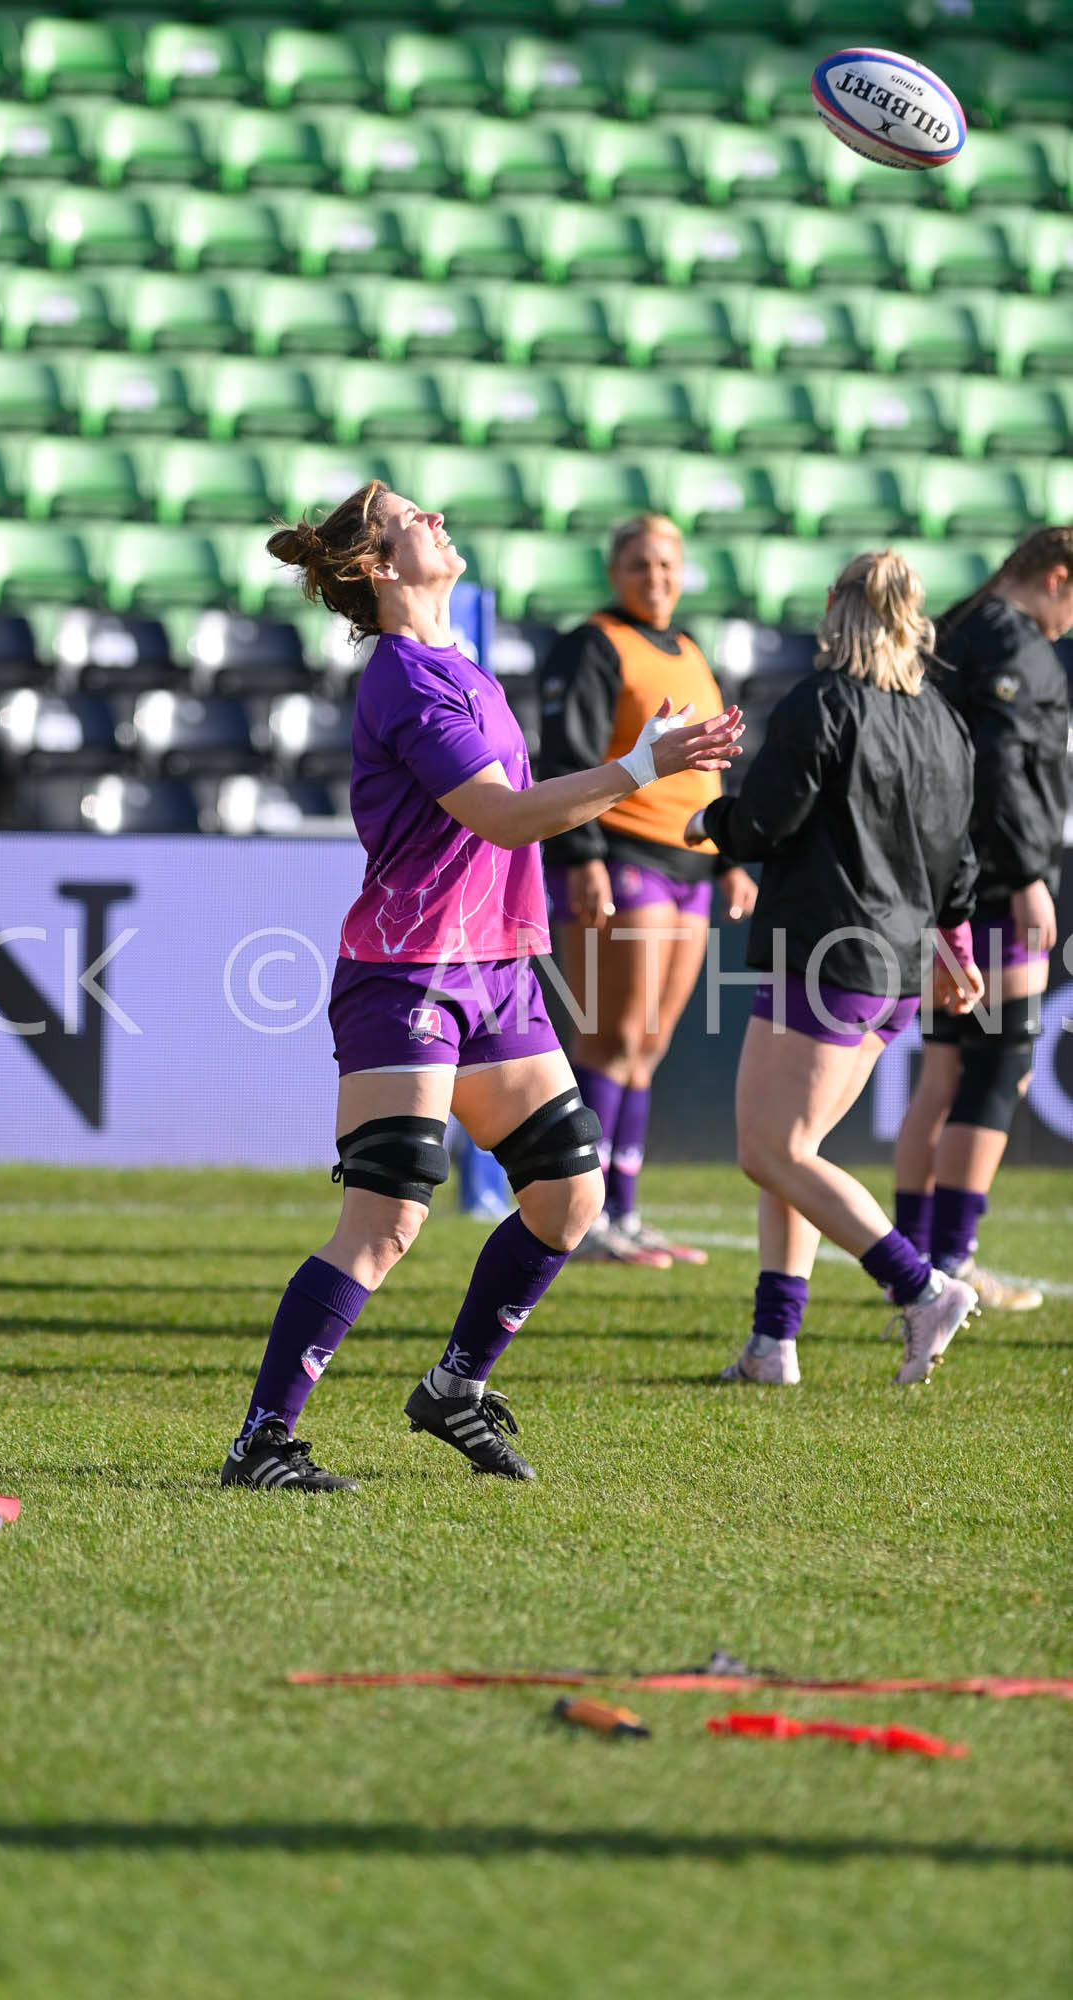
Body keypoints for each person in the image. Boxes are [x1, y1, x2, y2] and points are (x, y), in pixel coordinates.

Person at [221, 482, 743, 1490]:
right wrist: (636, 765)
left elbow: (517, 813)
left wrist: (630, 768)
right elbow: (505, 817)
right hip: (407, 970)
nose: (439, 520)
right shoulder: (410, 680)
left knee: (569, 1195)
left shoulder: (460, 665)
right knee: (385, 1224)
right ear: (377, 565)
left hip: (494, 968)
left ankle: (455, 1386)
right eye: (416, 517)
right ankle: (261, 1441)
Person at [683, 550, 983, 1389]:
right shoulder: (941, 717)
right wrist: (954, 941)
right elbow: (960, 853)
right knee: (798, 1151)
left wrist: (713, 820)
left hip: (828, 950)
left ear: (831, 607)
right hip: (896, 965)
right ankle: (771, 1345)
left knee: (770, 1150)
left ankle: (919, 1288)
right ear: (911, 616)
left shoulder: (824, 700)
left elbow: (768, 821)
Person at [537, 514, 757, 1269]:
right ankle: (583, 1213)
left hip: (689, 861)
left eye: (665, 564)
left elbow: (709, 764)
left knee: (651, 1044)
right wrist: (582, 854)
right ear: (613, 572)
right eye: (638, 564)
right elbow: (567, 756)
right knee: (610, 1035)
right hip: (619, 854)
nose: (654, 577)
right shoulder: (593, 644)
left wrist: (730, 851)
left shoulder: (689, 650)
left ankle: (623, 1213)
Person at [892, 526, 1073, 1312]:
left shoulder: (965, 623)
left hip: (946, 878)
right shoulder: (1010, 637)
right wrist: (1028, 874)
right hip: (991, 883)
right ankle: (949, 1260)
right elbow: (999, 770)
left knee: (944, 1072)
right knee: (997, 1064)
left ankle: (911, 1265)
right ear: (1057, 578)